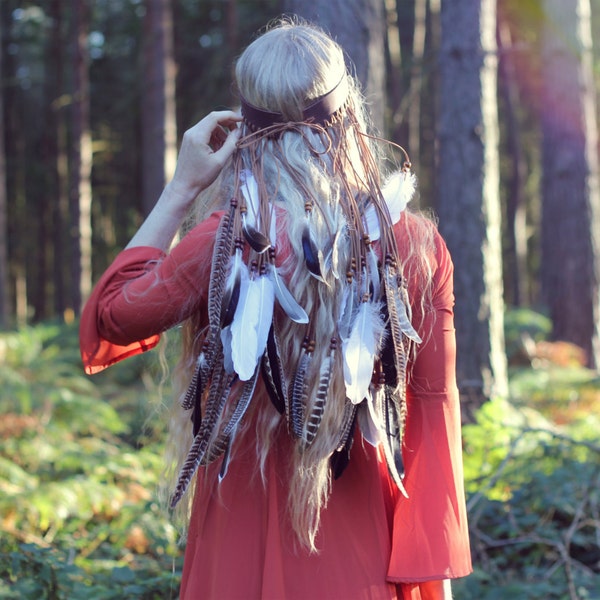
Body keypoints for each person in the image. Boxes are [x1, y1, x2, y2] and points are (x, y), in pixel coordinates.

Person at [80, 18, 472, 600]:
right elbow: (434, 414)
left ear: (246, 125)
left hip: (238, 518)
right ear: (349, 115)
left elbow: (112, 316)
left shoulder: (226, 243)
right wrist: (426, 566)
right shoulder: (409, 243)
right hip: (361, 535)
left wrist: (181, 189)